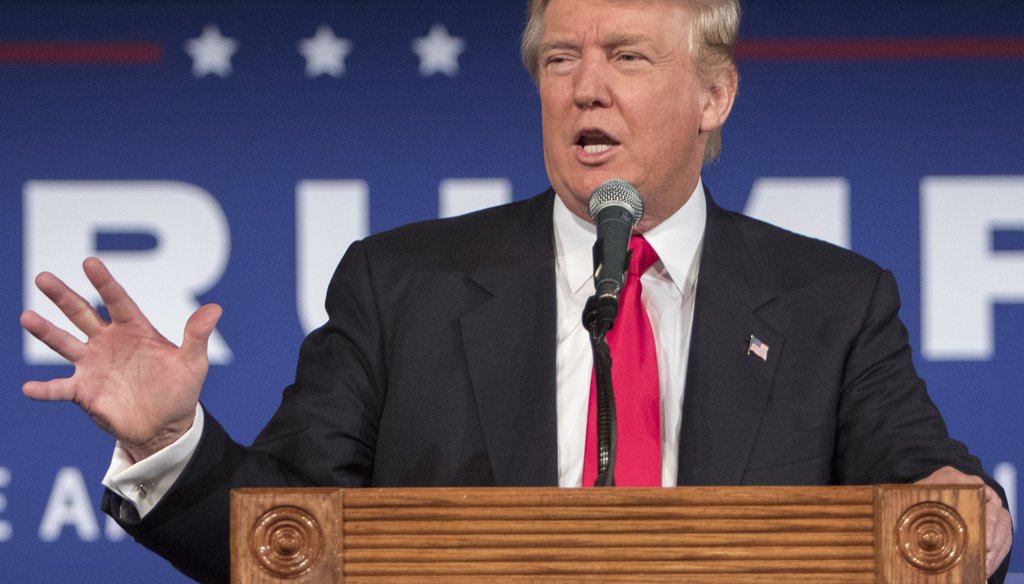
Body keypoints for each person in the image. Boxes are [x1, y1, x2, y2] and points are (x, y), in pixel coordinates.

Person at [21, 0, 1012, 582]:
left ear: (714, 94)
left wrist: (970, 516)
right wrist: (168, 442)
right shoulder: (400, 284)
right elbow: (287, 531)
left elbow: (925, 479)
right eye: (559, 59)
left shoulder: (833, 299)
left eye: (626, 56)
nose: (586, 87)